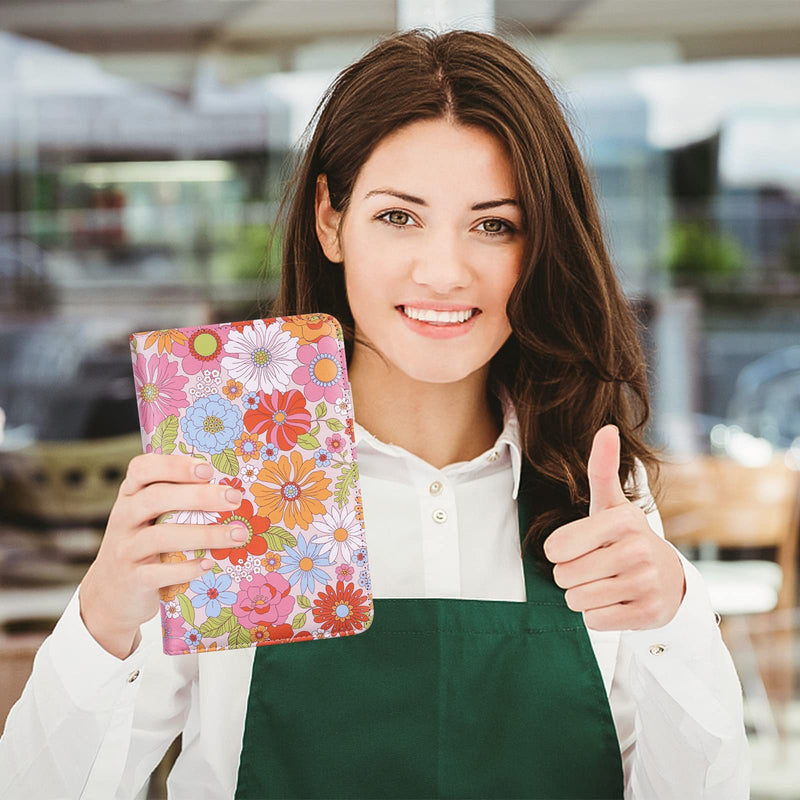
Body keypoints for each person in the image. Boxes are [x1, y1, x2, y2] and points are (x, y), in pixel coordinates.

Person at [0, 28, 749, 799]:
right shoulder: (231, 480)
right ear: (331, 219)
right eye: (399, 216)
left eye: (495, 224)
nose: (443, 271)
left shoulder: (593, 491)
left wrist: (674, 619)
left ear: (540, 247)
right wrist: (107, 610)